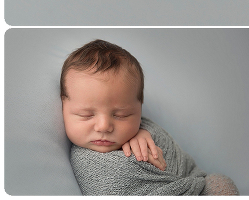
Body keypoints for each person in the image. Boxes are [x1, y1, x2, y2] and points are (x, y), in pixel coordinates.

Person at [61, 39, 238, 195]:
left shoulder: (146, 131)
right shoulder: (81, 161)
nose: (104, 126)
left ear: (139, 108)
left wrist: (145, 133)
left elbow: (185, 170)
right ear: (63, 105)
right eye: (86, 115)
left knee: (219, 182)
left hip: (193, 188)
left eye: (122, 115)